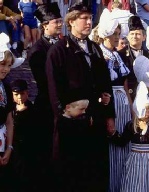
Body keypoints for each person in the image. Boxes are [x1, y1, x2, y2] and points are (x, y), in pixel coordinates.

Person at [46, 2, 115, 191]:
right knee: (73, 175)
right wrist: (66, 117)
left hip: (96, 122)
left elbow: (105, 84)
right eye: (83, 18)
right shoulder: (59, 51)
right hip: (72, 127)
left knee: (96, 174)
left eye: (90, 18)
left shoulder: (95, 49)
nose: (88, 22)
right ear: (71, 22)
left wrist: (109, 115)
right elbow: (54, 92)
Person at [26, 2, 62, 190]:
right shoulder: (38, 50)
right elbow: (45, 81)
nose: (59, 24)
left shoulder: (64, 44)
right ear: (45, 25)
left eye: (60, 20)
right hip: (47, 106)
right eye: (56, 21)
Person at [109, 81, 149, 192]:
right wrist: (113, 134)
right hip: (136, 159)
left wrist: (147, 129)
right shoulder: (131, 125)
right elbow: (122, 141)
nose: (148, 114)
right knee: (135, 184)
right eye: (146, 111)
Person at [97, 17, 131, 192]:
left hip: (123, 101)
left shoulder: (118, 54)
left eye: (118, 34)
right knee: (113, 144)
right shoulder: (99, 54)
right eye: (113, 34)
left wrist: (131, 106)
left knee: (125, 144)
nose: (117, 37)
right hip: (110, 102)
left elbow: (125, 84)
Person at [56, 88, 93, 191]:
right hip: (68, 166)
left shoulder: (77, 120)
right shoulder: (63, 122)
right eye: (81, 109)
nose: (84, 112)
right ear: (68, 107)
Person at [10, 79, 36, 191]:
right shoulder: (9, 109)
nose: (19, 97)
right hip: (12, 148)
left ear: (27, 93)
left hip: (26, 150)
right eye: (16, 94)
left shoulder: (33, 110)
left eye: (22, 94)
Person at [118, 15, 149, 105]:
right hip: (128, 96)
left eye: (138, 34)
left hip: (144, 95)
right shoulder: (121, 54)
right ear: (127, 37)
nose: (134, 36)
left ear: (144, 37)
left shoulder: (148, 55)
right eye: (132, 34)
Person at [0, 33, 16, 191]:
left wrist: (10, 148)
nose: (5, 69)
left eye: (9, 65)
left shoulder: (6, 86)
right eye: (2, 64)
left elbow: (9, 119)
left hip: (3, 143)